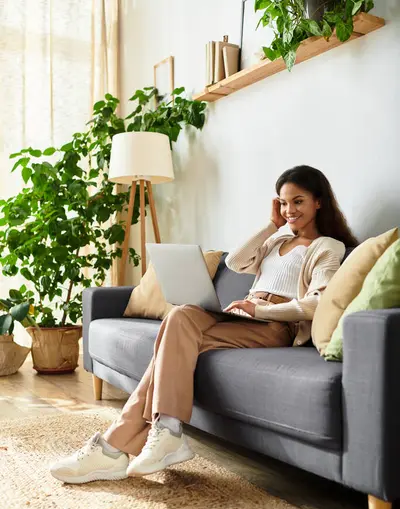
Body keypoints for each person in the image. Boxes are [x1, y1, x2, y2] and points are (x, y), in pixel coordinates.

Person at [50, 165, 358, 485]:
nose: (289, 210)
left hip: (273, 324)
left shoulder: (327, 247)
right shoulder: (276, 238)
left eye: (298, 201)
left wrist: (262, 309)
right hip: (239, 315)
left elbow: (317, 303)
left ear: (318, 202)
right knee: (180, 317)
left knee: (174, 336)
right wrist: (271, 225)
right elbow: (235, 263)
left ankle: (117, 446)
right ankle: (161, 433)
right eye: (282, 202)